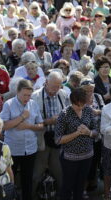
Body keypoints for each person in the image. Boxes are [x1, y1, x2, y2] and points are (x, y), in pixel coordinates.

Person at [0, 79, 44, 200]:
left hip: (30, 149)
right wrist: (22, 117)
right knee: (10, 180)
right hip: (13, 149)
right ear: (17, 92)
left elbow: (41, 126)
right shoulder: (8, 104)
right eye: (24, 95)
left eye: (29, 95)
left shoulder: (33, 104)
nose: (27, 98)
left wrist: (28, 126)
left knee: (27, 180)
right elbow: (3, 126)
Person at [31, 71, 69, 199]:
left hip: (58, 139)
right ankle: (31, 195)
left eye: (58, 86)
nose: (55, 89)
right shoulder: (35, 96)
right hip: (42, 139)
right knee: (37, 172)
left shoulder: (63, 94)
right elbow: (31, 121)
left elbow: (68, 113)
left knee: (59, 171)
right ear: (46, 83)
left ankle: (61, 195)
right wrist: (49, 121)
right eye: (53, 86)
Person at [55, 87, 97, 200]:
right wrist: (76, 133)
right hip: (69, 159)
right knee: (67, 187)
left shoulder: (88, 110)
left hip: (87, 156)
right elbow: (58, 139)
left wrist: (88, 132)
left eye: (82, 104)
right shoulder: (64, 114)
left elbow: (96, 132)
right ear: (72, 102)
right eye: (77, 105)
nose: (80, 108)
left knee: (80, 186)